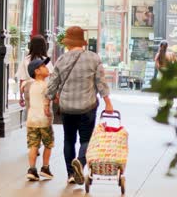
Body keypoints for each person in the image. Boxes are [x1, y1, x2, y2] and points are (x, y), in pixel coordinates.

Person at [46, 26, 114, 185]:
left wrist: (46, 103)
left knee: (69, 140)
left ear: (68, 43)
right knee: (86, 140)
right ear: (82, 42)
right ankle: (80, 163)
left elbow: (52, 84)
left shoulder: (62, 59)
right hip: (87, 107)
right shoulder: (94, 58)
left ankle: (70, 174)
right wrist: (108, 103)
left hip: (67, 108)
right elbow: (101, 82)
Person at [22, 57, 54, 181]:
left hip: (31, 120)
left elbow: (25, 85)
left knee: (33, 145)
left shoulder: (30, 85)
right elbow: (49, 97)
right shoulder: (46, 85)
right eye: (44, 67)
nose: (47, 68)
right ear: (37, 71)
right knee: (48, 144)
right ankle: (45, 168)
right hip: (44, 120)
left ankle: (32, 169)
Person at [15, 35, 54, 109]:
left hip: (29, 90)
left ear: (31, 46)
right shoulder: (46, 61)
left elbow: (22, 80)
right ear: (44, 47)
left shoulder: (25, 60)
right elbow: (52, 78)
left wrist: (21, 96)